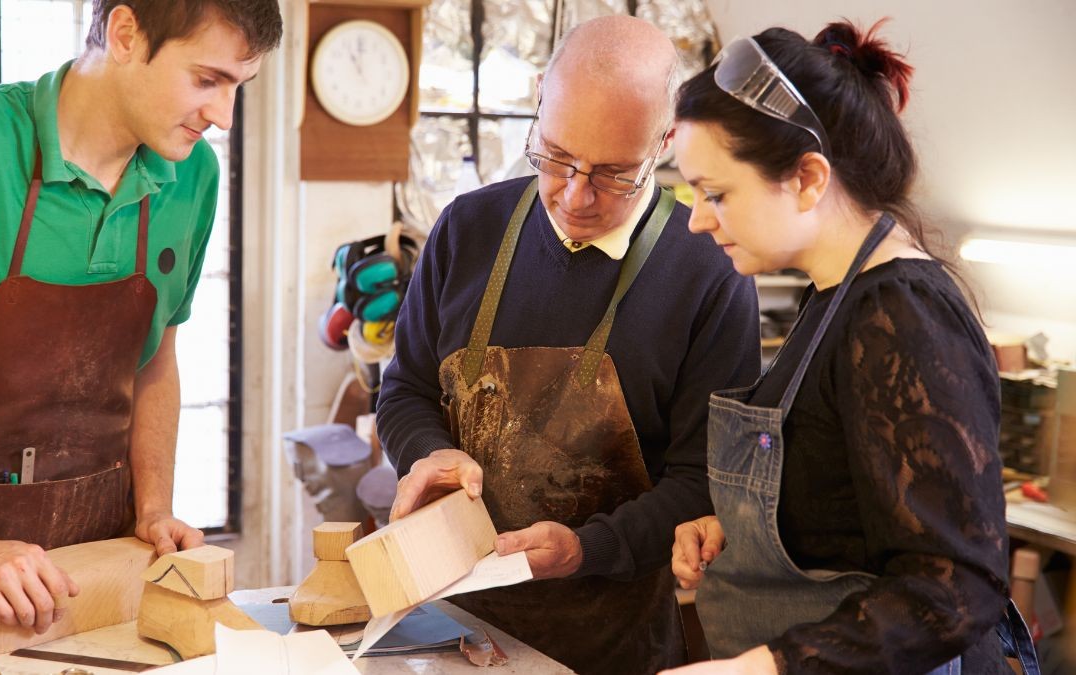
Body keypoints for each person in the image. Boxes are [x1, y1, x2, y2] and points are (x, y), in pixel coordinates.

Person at [0, 1, 281, 672]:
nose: (224, 116)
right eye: (207, 80)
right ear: (125, 34)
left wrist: (153, 509)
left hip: (86, 602)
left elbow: (155, 360)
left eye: (240, 86)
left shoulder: (191, 178)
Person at [376, 15, 760, 675]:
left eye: (613, 174)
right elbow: (405, 387)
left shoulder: (710, 269)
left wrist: (585, 548)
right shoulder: (467, 228)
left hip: (610, 642)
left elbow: (708, 482)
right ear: (538, 101)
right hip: (449, 627)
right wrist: (428, 454)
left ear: (665, 140)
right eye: (555, 157)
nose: (575, 195)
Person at [663, 19, 1039, 675]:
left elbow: (955, 588)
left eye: (717, 193)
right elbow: (850, 494)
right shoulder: (831, 292)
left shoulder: (901, 316)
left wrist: (763, 667)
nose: (697, 218)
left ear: (808, 177)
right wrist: (746, 529)